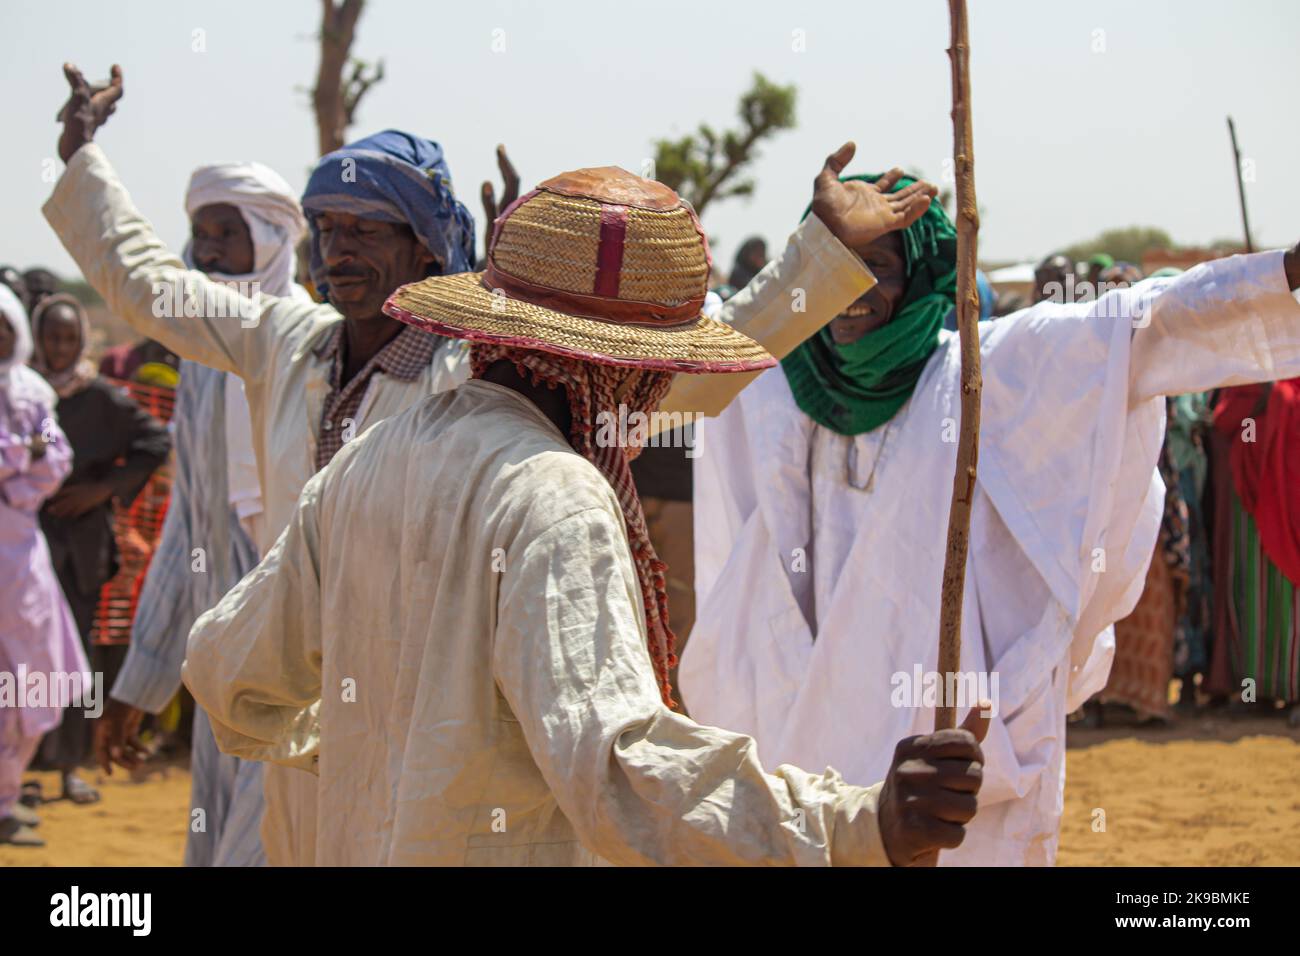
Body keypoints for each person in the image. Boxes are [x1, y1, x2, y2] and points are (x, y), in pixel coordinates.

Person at [50, 62, 934, 862]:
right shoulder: (547, 488)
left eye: (367, 228)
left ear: (430, 252)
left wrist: (394, 737)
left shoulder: (381, 451)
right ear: (631, 366)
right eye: (328, 228)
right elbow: (618, 765)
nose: (340, 249)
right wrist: (856, 826)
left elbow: (226, 665)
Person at [679, 170, 1300, 865]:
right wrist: (809, 252)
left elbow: (1139, 326)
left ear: (922, 278)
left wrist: (1283, 276)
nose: (853, 290)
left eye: (878, 266)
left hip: (933, 754)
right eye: (837, 266)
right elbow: (682, 359)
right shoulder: (767, 381)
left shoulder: (981, 376)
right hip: (792, 738)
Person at [100, 161, 309, 867]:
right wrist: (142, 683)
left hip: (300, 667)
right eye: (201, 234)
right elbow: (188, 526)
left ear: (271, 239)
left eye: (228, 232)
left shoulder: (316, 346)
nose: (210, 250)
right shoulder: (198, 362)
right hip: (221, 667)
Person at [29, 293, 171, 805]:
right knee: (18, 660)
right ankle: (20, 768)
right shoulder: (21, 393)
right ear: (37, 339)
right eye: (52, 337)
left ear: (82, 340)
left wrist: (101, 490)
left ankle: (69, 766)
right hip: (23, 547)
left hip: (81, 551)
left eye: (69, 338)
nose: (60, 348)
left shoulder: (101, 399)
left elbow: (155, 442)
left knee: (76, 659)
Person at [0, 285, 85, 847]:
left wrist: (19, 467)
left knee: (34, 678)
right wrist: (18, 451)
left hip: (22, 555)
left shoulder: (32, 392)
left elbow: (54, 452)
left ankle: (6, 797)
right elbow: (23, 450)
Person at [1212, 378, 1300, 725]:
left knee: (1289, 596)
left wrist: (1274, 396)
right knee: (1252, 592)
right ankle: (1255, 692)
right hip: (1250, 495)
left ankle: (1294, 691)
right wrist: (1262, 397)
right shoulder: (1245, 375)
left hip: (1288, 495)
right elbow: (1226, 420)